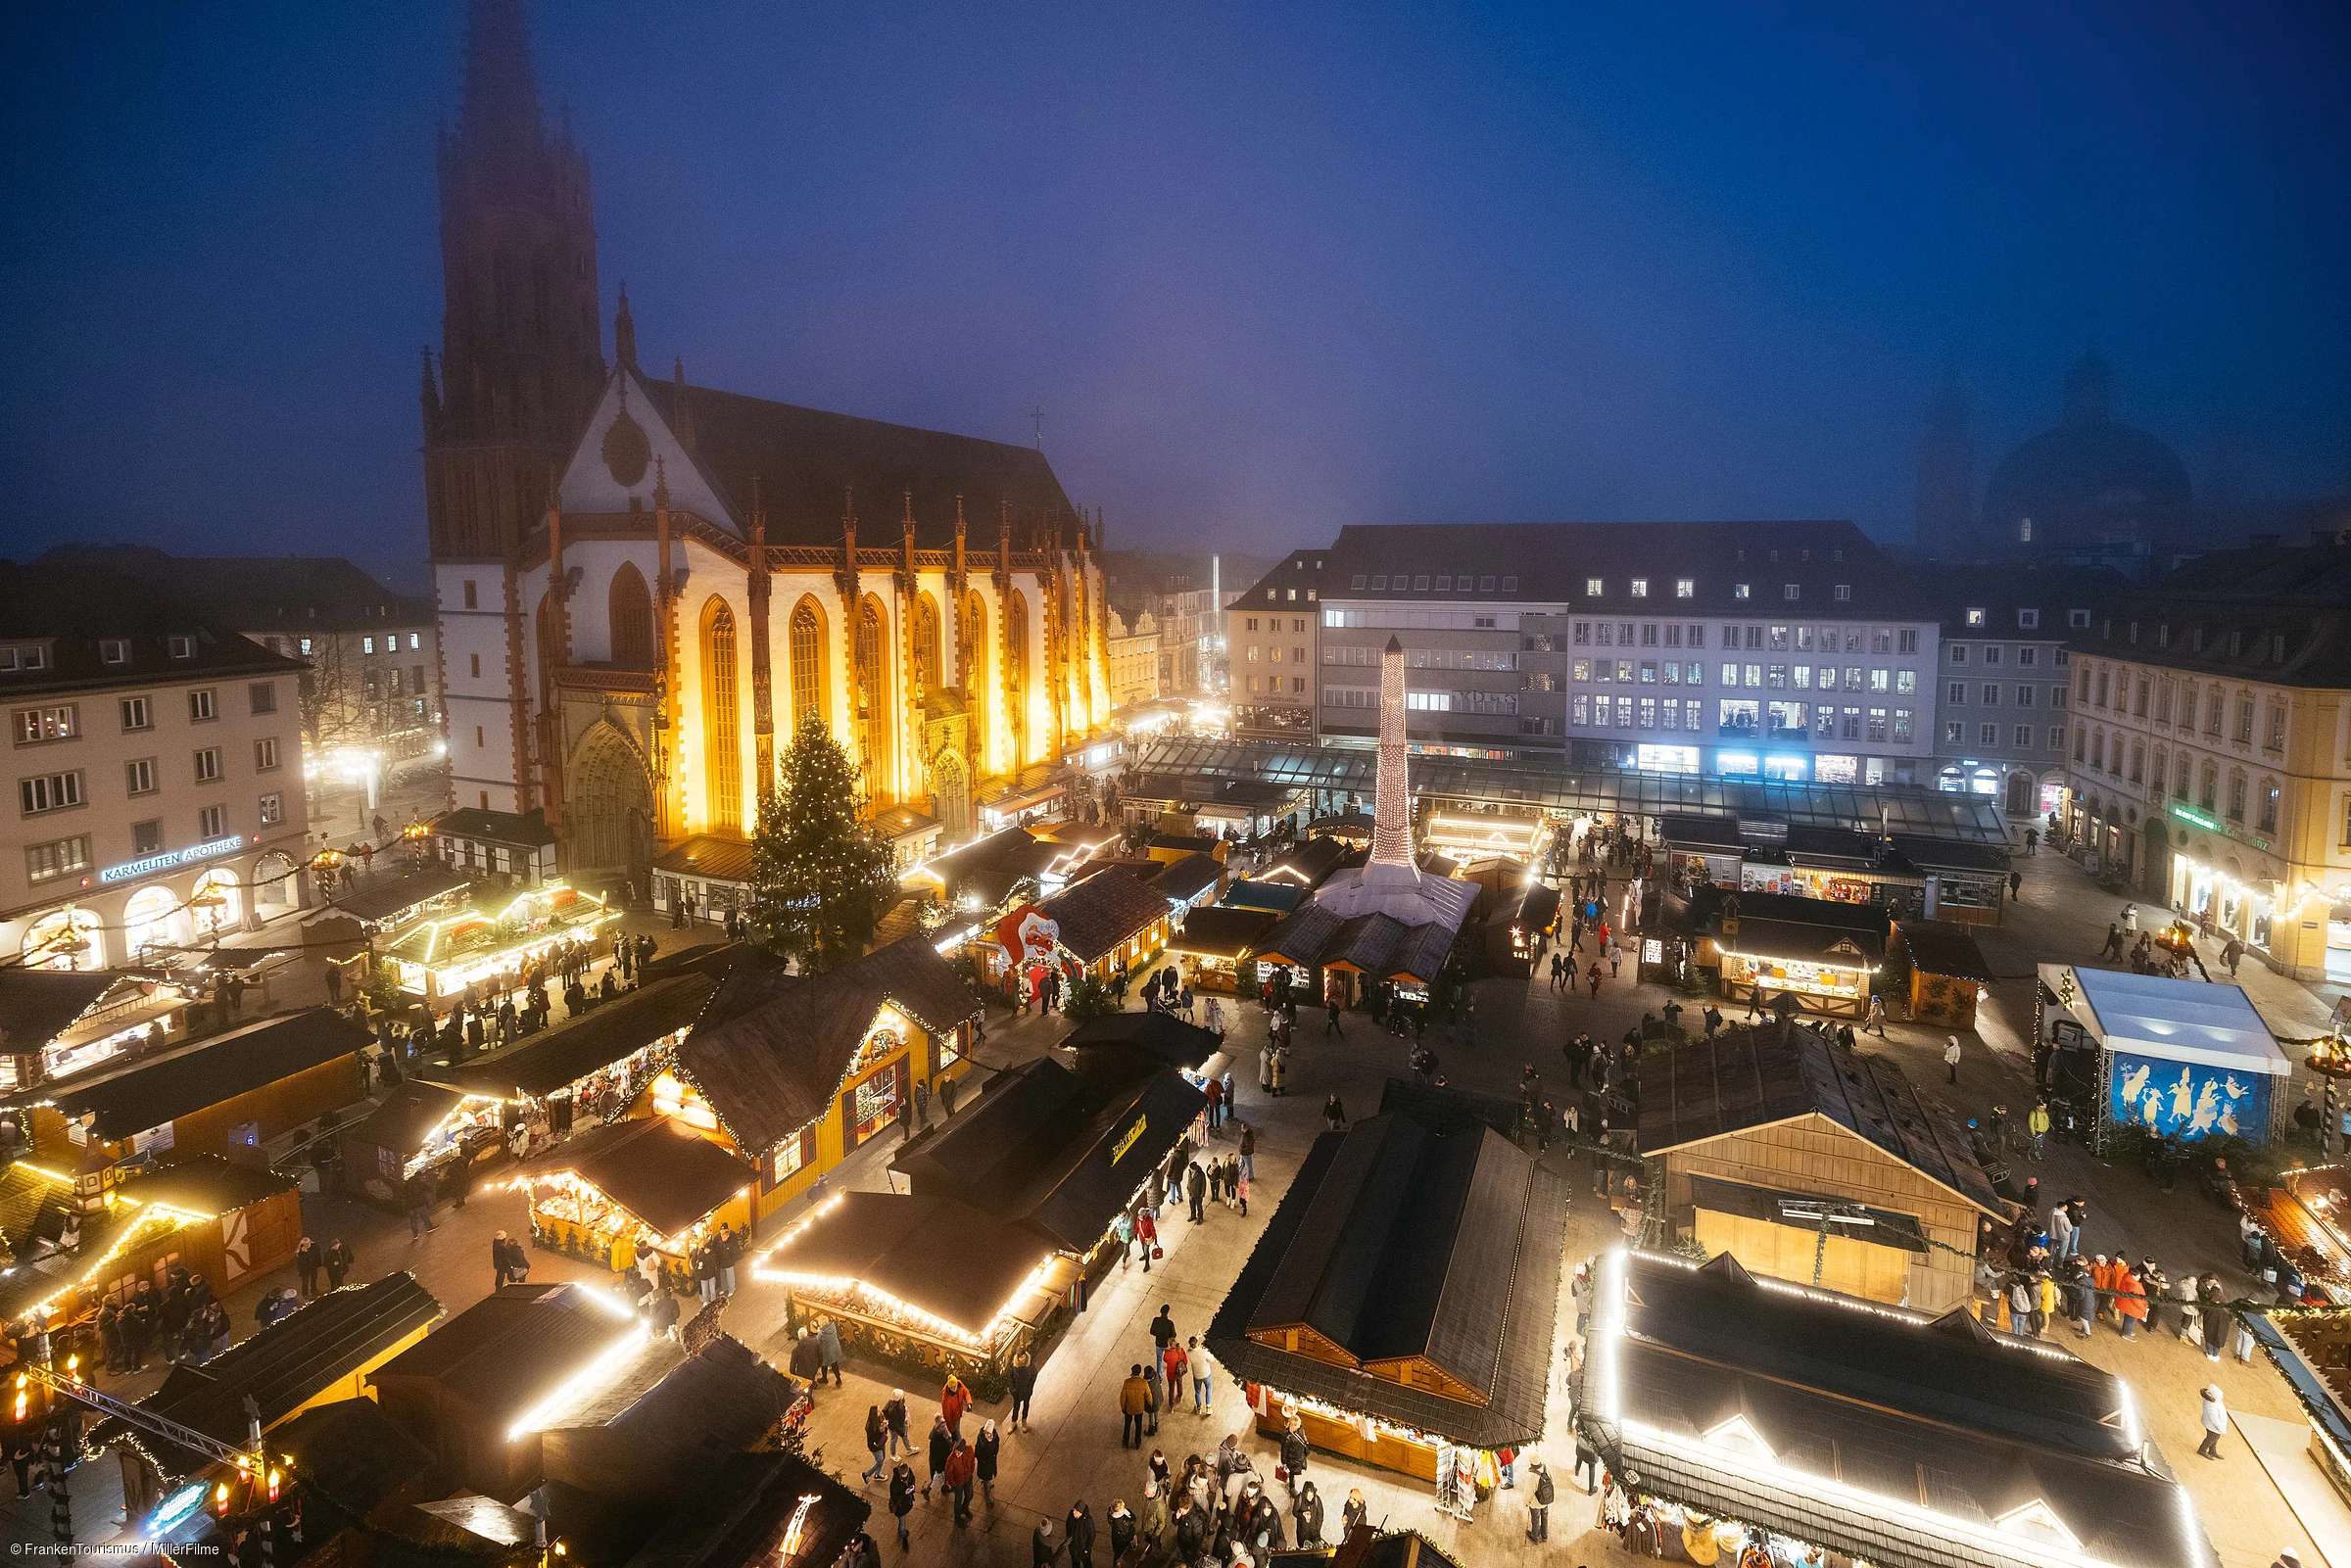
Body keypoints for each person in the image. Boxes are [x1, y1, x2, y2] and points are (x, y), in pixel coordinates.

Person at [944, 1436, 977, 1523]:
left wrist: (971, 1471)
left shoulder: (969, 1451)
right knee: (958, 1500)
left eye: (959, 1453)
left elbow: (972, 1462)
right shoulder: (951, 1459)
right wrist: (953, 1485)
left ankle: (965, 1508)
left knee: (970, 1495)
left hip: (967, 1478)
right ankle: (957, 1516)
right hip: (957, 1482)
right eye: (956, 1452)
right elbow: (948, 1473)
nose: (957, 1454)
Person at [888, 1460, 916, 1551]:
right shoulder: (894, 1484)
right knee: (902, 1522)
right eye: (904, 1474)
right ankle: (903, 1535)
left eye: (906, 1473)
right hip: (901, 1507)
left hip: (907, 1502)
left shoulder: (909, 1472)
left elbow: (912, 1479)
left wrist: (912, 1486)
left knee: (903, 1521)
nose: (905, 1475)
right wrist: (904, 1493)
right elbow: (894, 1498)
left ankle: (902, 1531)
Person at [1121, 1364, 1151, 1448]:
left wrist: (1123, 1407)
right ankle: (1137, 1441)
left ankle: (1125, 1441)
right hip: (1139, 1408)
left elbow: (1123, 1397)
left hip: (1129, 1408)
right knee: (1138, 1425)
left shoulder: (1127, 1382)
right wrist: (1150, 1403)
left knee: (1127, 1425)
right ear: (1140, 1373)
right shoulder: (1143, 1383)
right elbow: (1148, 1395)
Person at [1525, 1456, 1555, 1543]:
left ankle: (1535, 1537)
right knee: (1545, 1516)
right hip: (1545, 1499)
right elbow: (1552, 1481)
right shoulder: (1545, 1467)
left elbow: (1529, 1491)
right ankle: (1545, 1535)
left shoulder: (1531, 1475)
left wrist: (1526, 1502)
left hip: (1536, 1502)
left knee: (1535, 1518)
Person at [923, 1414, 952, 1498]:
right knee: (936, 1479)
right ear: (939, 1427)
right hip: (938, 1464)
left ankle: (944, 1488)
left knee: (943, 1477)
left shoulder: (943, 1433)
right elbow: (936, 1456)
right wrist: (939, 1468)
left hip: (943, 1461)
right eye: (943, 1426)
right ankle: (927, 1490)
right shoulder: (936, 1440)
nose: (945, 1427)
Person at [1007, 1354, 1036, 1432]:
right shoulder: (1013, 1367)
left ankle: (1024, 1420)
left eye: (1023, 1356)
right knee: (1016, 1406)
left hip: (1027, 1390)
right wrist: (1012, 1389)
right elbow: (1010, 1378)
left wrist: (1030, 1388)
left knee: (1026, 1405)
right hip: (1017, 1391)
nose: (1022, 1359)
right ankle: (1013, 1421)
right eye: (1020, 1357)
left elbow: (1033, 1376)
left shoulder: (1030, 1366)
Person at [2198, 1384, 2228, 1459]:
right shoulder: (2210, 1405)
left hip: (2216, 1425)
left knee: (2215, 1437)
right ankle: (2202, 1450)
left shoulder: (2215, 1401)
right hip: (2213, 1425)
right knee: (2211, 1438)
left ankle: (2212, 1451)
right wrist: (2220, 1427)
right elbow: (2214, 1418)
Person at [1066, 1500, 1097, 1568]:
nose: (1073, 1512)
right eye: (1074, 1510)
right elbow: (1068, 1526)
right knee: (1075, 1565)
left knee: (1087, 1564)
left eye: (1076, 1511)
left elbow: (1092, 1535)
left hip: (1083, 1549)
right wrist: (1068, 1540)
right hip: (1074, 1548)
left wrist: (1087, 1549)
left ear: (1081, 1513)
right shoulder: (1071, 1515)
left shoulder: (1088, 1521)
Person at [1189, 1335, 1215, 1413]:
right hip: (1206, 1374)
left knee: (1198, 1392)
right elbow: (1212, 1359)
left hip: (1197, 1376)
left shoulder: (1189, 1353)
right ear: (1197, 1343)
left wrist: (1197, 1337)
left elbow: (1191, 1348)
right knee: (1208, 1388)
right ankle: (1208, 1408)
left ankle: (1199, 1408)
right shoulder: (1203, 1352)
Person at [864, 1405, 889, 1483]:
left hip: (881, 1443)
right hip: (875, 1446)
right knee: (880, 1461)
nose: (880, 1411)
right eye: (878, 1411)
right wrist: (880, 1431)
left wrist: (885, 1427)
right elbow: (873, 1439)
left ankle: (877, 1474)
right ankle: (867, 1474)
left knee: (883, 1458)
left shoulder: (880, 1418)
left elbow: (884, 1431)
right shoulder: (871, 1427)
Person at [885, 1389, 913, 1456]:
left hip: (896, 1425)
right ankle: (893, 1454)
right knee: (894, 1439)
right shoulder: (896, 1409)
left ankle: (909, 1448)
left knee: (904, 1436)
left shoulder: (891, 1403)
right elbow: (896, 1422)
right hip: (896, 1427)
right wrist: (900, 1431)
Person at [818, 1315, 844, 1386]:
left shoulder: (821, 1333)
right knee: (834, 1364)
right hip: (835, 1349)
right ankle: (838, 1379)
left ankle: (824, 1379)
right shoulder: (833, 1327)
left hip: (826, 1352)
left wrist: (818, 1331)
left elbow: (818, 1343)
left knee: (824, 1364)